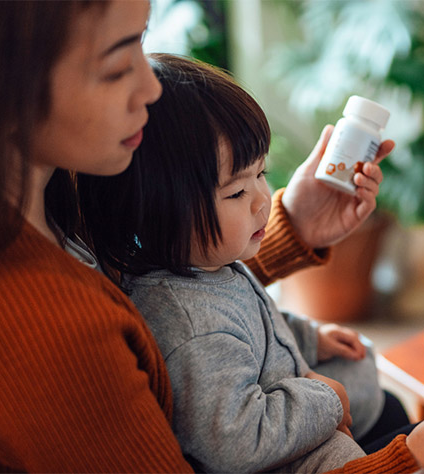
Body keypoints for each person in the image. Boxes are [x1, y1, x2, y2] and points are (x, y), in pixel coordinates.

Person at [0, 2, 424, 473]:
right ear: (11, 90)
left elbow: (172, 287)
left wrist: (290, 227)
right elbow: (188, 346)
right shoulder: (36, 332)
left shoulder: (56, 199)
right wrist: (408, 466)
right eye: (120, 64)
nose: (151, 90)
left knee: (403, 404)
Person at [76, 53, 397, 473]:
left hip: (287, 395)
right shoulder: (190, 328)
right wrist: (327, 400)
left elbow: (253, 322)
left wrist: (307, 337)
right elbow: (236, 441)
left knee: (365, 372)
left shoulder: (206, 262)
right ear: (157, 209)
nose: (264, 199)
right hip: (285, 454)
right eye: (235, 193)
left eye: (260, 174)